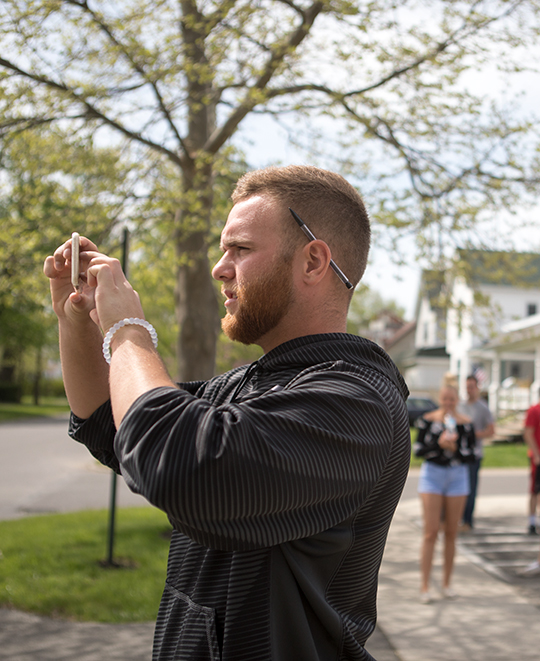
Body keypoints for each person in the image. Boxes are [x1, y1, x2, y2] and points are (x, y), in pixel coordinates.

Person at [44, 165, 411, 661]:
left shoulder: (355, 401)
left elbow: (178, 465)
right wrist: (76, 318)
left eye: (239, 249)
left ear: (313, 261)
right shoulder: (250, 384)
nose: (219, 267)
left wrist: (128, 329)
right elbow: (110, 419)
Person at [414, 384, 475, 604]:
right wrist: (439, 446)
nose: (448, 403)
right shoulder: (428, 420)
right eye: (445, 399)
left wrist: (454, 449)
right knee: (430, 532)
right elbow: (418, 449)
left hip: (457, 476)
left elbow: (472, 455)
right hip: (433, 475)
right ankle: (424, 585)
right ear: (440, 399)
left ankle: (447, 583)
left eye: (452, 399)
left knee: (451, 531)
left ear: (457, 400)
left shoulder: (465, 424)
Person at [458, 374, 495, 531]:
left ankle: (468, 521)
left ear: (477, 388)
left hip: (475, 453)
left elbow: (491, 430)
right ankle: (456, 518)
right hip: (459, 453)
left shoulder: (483, 407)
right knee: (459, 487)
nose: (469, 390)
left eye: (472, 387)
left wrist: (473, 434)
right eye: (467, 387)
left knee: (471, 488)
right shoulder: (461, 405)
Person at [523, 401, 540, 535]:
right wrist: (536, 454)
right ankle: (532, 521)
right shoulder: (534, 410)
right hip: (538, 458)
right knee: (535, 490)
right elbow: (528, 433)